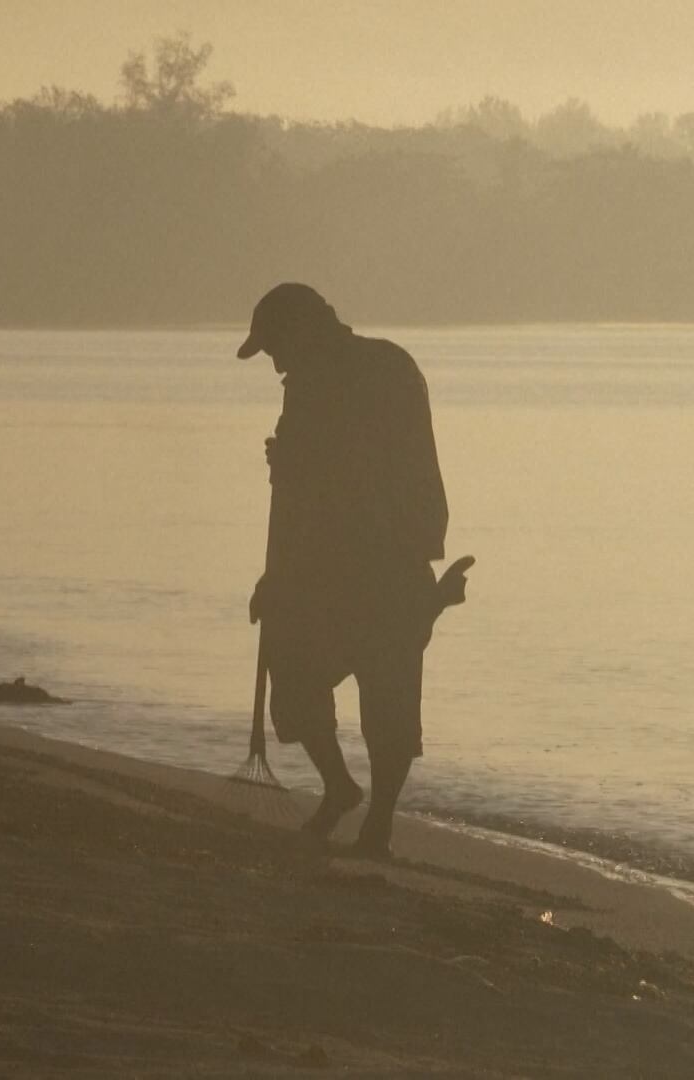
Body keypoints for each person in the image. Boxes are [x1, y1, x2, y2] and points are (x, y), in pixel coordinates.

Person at [239, 282, 470, 857]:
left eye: (274, 349)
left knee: (386, 704)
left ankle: (379, 823)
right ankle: (342, 790)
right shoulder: (314, 386)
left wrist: (302, 460)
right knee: (294, 682)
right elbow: (303, 490)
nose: (275, 365)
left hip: (381, 563)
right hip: (330, 567)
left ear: (302, 332)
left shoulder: (379, 372)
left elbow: (375, 470)